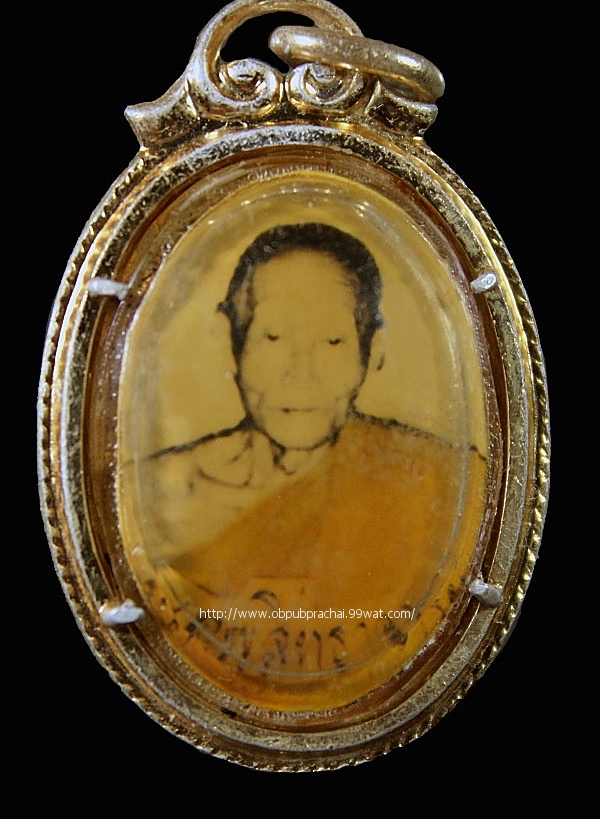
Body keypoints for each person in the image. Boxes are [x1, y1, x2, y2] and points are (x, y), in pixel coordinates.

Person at [131, 223, 489, 710]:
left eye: (333, 342)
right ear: (229, 339)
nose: (301, 374)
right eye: (274, 337)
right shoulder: (159, 492)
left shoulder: (437, 485)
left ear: (373, 352)